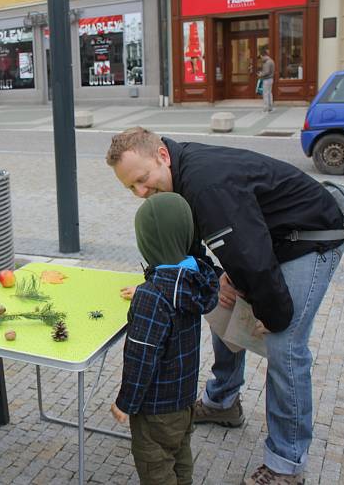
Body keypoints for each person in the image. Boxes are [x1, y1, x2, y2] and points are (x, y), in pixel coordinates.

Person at [106, 128, 344, 485]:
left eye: (143, 179)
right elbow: (194, 247)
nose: (141, 193)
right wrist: (209, 277)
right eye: (131, 188)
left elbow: (252, 258)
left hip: (308, 240)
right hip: (262, 240)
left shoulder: (205, 185)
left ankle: (286, 464)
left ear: (163, 156)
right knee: (223, 308)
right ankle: (223, 403)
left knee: (284, 345)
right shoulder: (178, 179)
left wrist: (272, 313)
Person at [110, 192, 219, 485]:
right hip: (183, 401)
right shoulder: (193, 280)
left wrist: (125, 403)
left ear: (148, 243)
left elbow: (141, 357)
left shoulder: (152, 297)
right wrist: (147, 288)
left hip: (155, 410)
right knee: (180, 455)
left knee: (156, 467)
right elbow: (168, 292)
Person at [258, 48, 275, 112]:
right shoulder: (271, 60)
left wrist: (261, 74)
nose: (261, 58)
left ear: (263, 55)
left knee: (265, 93)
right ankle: (270, 107)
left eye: (261, 57)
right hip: (270, 79)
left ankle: (265, 108)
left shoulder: (267, 62)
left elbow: (266, 72)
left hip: (267, 80)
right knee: (269, 93)